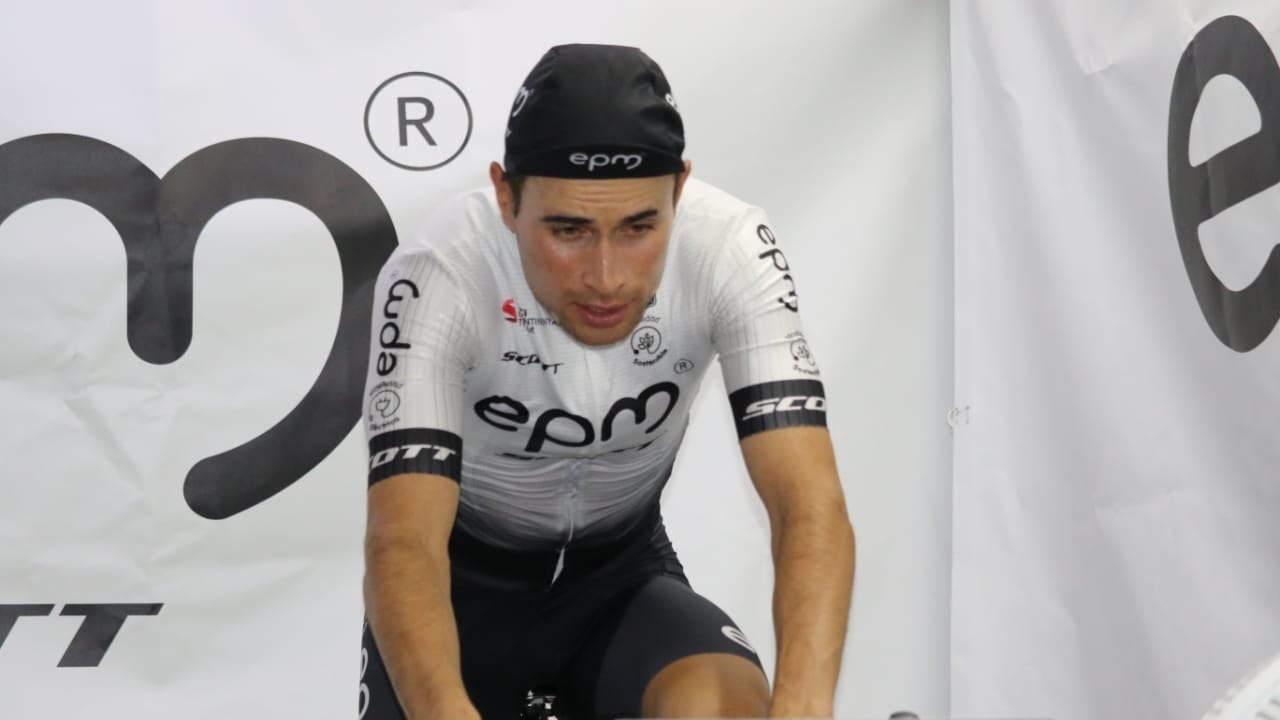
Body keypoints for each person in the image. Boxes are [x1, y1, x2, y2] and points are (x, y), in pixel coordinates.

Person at [359, 43, 855, 720]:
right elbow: (405, 540)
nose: (606, 276)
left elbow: (808, 504)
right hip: (456, 590)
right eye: (569, 230)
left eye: (638, 228)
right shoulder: (442, 269)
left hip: (620, 583)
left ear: (679, 190)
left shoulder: (729, 247)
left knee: (728, 709)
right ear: (506, 197)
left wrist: (804, 708)